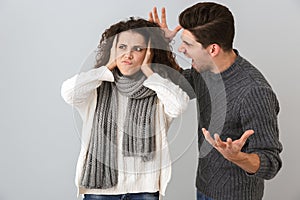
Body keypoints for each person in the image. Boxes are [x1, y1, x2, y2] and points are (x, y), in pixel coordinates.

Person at [149, 2, 283, 200]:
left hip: (236, 196)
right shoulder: (203, 71)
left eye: (188, 44)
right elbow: (174, 84)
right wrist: (161, 44)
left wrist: (238, 157)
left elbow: (271, 163)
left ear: (213, 49)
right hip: (204, 187)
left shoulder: (254, 91)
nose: (181, 49)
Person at [61, 17, 190, 200]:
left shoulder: (158, 90)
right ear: (112, 50)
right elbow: (68, 92)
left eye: (138, 49)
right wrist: (107, 67)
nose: (128, 55)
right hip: (100, 190)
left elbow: (179, 105)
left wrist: (149, 71)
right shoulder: (97, 87)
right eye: (122, 47)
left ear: (149, 53)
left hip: (144, 189)